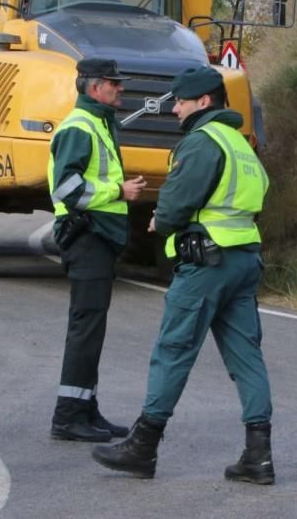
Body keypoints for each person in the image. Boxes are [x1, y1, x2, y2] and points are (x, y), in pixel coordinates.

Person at [91, 65, 275, 484]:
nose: (175, 108)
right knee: (247, 358)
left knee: (174, 349)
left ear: (204, 101)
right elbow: (256, 199)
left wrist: (161, 221)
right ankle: (258, 456)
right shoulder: (242, 145)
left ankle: (143, 446)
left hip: (206, 264)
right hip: (244, 260)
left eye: (181, 100)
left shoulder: (202, 142)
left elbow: (174, 206)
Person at [48, 57, 147, 442]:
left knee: (92, 327)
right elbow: (66, 190)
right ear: (94, 88)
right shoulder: (80, 127)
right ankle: (68, 416)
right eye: (113, 83)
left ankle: (85, 408)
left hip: (97, 236)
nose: (120, 88)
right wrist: (117, 191)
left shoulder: (99, 123)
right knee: (86, 327)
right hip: (86, 236)